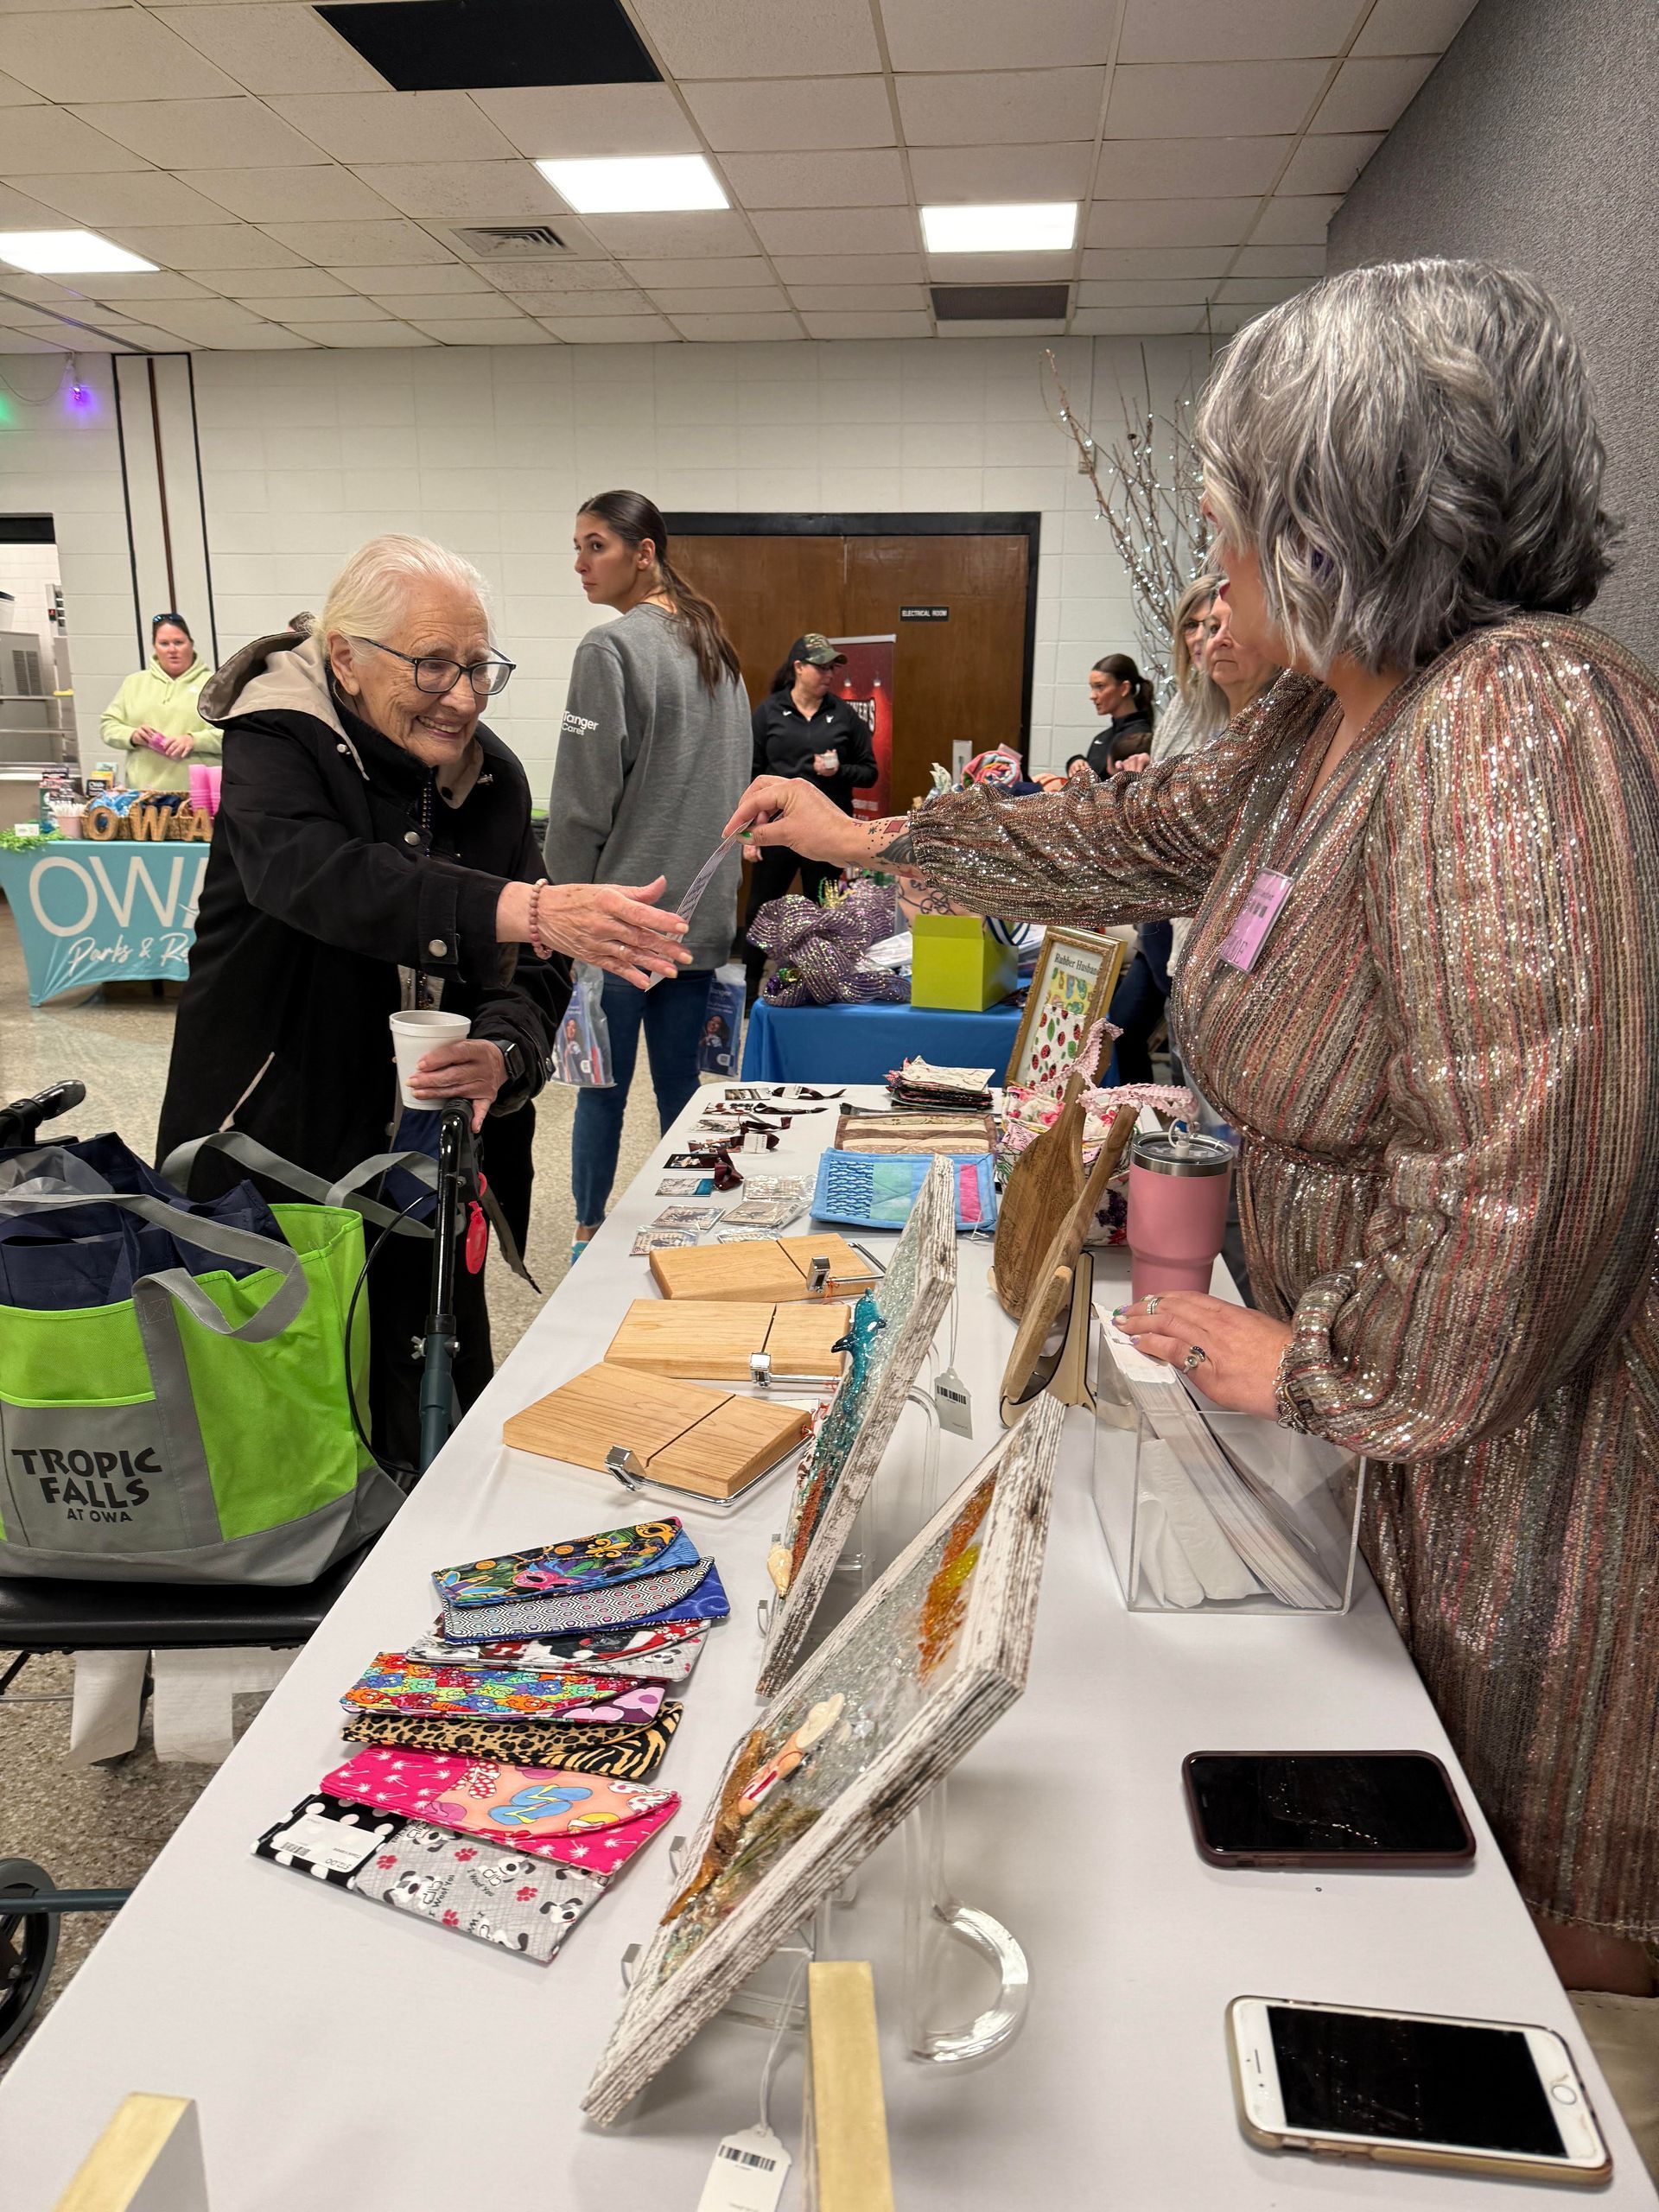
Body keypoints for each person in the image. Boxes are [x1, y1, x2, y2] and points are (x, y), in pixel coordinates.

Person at [728, 264, 1659, 2078]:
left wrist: (1316, 1367)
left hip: (1514, 1495)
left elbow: (1524, 1173)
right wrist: (877, 835)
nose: (1214, 550)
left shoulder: (1512, 719)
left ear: (1340, 509)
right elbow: (1128, 833)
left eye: (1240, 507)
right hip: (1387, 1455)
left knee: (1484, 1993)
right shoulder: (1339, 717)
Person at [157, 534, 687, 1467]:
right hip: (274, 1140)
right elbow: (323, 879)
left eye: (478, 666)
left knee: (435, 1399)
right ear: (347, 657)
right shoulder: (276, 744)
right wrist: (516, 907)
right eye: (433, 664)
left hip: (428, 1151)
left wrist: (506, 1053)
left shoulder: (489, 780)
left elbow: (534, 968)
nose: (464, 693)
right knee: (291, 1431)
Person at [547, 490, 750, 1259]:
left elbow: (579, 802)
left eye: (595, 545)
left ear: (644, 553)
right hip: (699, 917)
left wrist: (561, 903)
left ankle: (589, 1230)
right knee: (684, 1096)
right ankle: (688, 1226)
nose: (579, 563)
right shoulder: (716, 649)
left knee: (602, 1089)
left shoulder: (610, 649)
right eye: (577, 545)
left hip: (620, 917)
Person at [743, 632, 876, 1001]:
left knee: (823, 914)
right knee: (761, 909)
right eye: (821, 667)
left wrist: (839, 772)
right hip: (778, 831)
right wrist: (749, 834)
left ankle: (817, 988)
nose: (829, 674)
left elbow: (869, 772)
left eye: (832, 667)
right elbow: (751, 775)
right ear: (798, 668)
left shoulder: (843, 714)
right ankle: (749, 988)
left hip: (827, 834)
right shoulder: (769, 712)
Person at [100, 613, 219, 792]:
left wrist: (195, 740)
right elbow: (108, 726)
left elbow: (235, 734)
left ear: (191, 644)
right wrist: (132, 735)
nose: (172, 650)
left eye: (179, 642)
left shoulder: (215, 684)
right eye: (164, 643)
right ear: (155, 647)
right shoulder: (134, 683)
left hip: (198, 797)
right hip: (143, 795)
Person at [1150, 575, 1229, 765]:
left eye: (1214, 625)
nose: (1200, 637)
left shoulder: (1264, 704)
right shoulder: (1186, 698)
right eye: (1191, 625)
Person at [1084, 653, 1155, 778]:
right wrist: (1076, 762)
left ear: (1124, 688)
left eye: (1100, 687)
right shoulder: (1101, 738)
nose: (1092, 696)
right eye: (1092, 687)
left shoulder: (1140, 738)